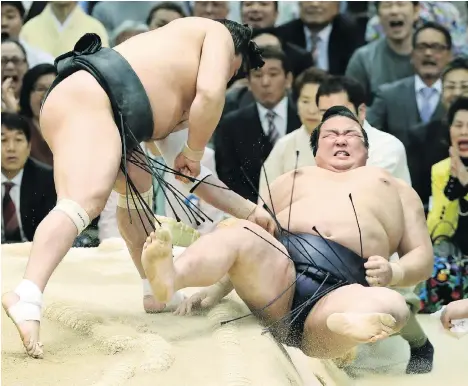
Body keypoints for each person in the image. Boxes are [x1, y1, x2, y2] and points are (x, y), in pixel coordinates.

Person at [2, 17, 276, 359]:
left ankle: (154, 289)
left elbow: (192, 176)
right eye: (233, 71)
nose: (228, 76)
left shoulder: (171, 84)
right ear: (235, 53)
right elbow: (210, 94)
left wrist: (250, 210)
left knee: (138, 180)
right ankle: (26, 296)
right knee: (82, 202)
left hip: (96, 107)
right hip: (90, 98)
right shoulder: (216, 33)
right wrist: (194, 148)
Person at [142, 105, 434, 361]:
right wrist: (217, 289)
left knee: (392, 305)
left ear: (367, 150)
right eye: (330, 135)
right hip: (280, 277)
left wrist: (394, 272)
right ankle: (172, 278)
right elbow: (254, 239)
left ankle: (346, 327)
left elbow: (422, 256)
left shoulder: (396, 189)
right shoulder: (290, 179)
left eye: (352, 134)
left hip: (347, 288)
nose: (341, 138)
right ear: (316, 149)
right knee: (242, 230)